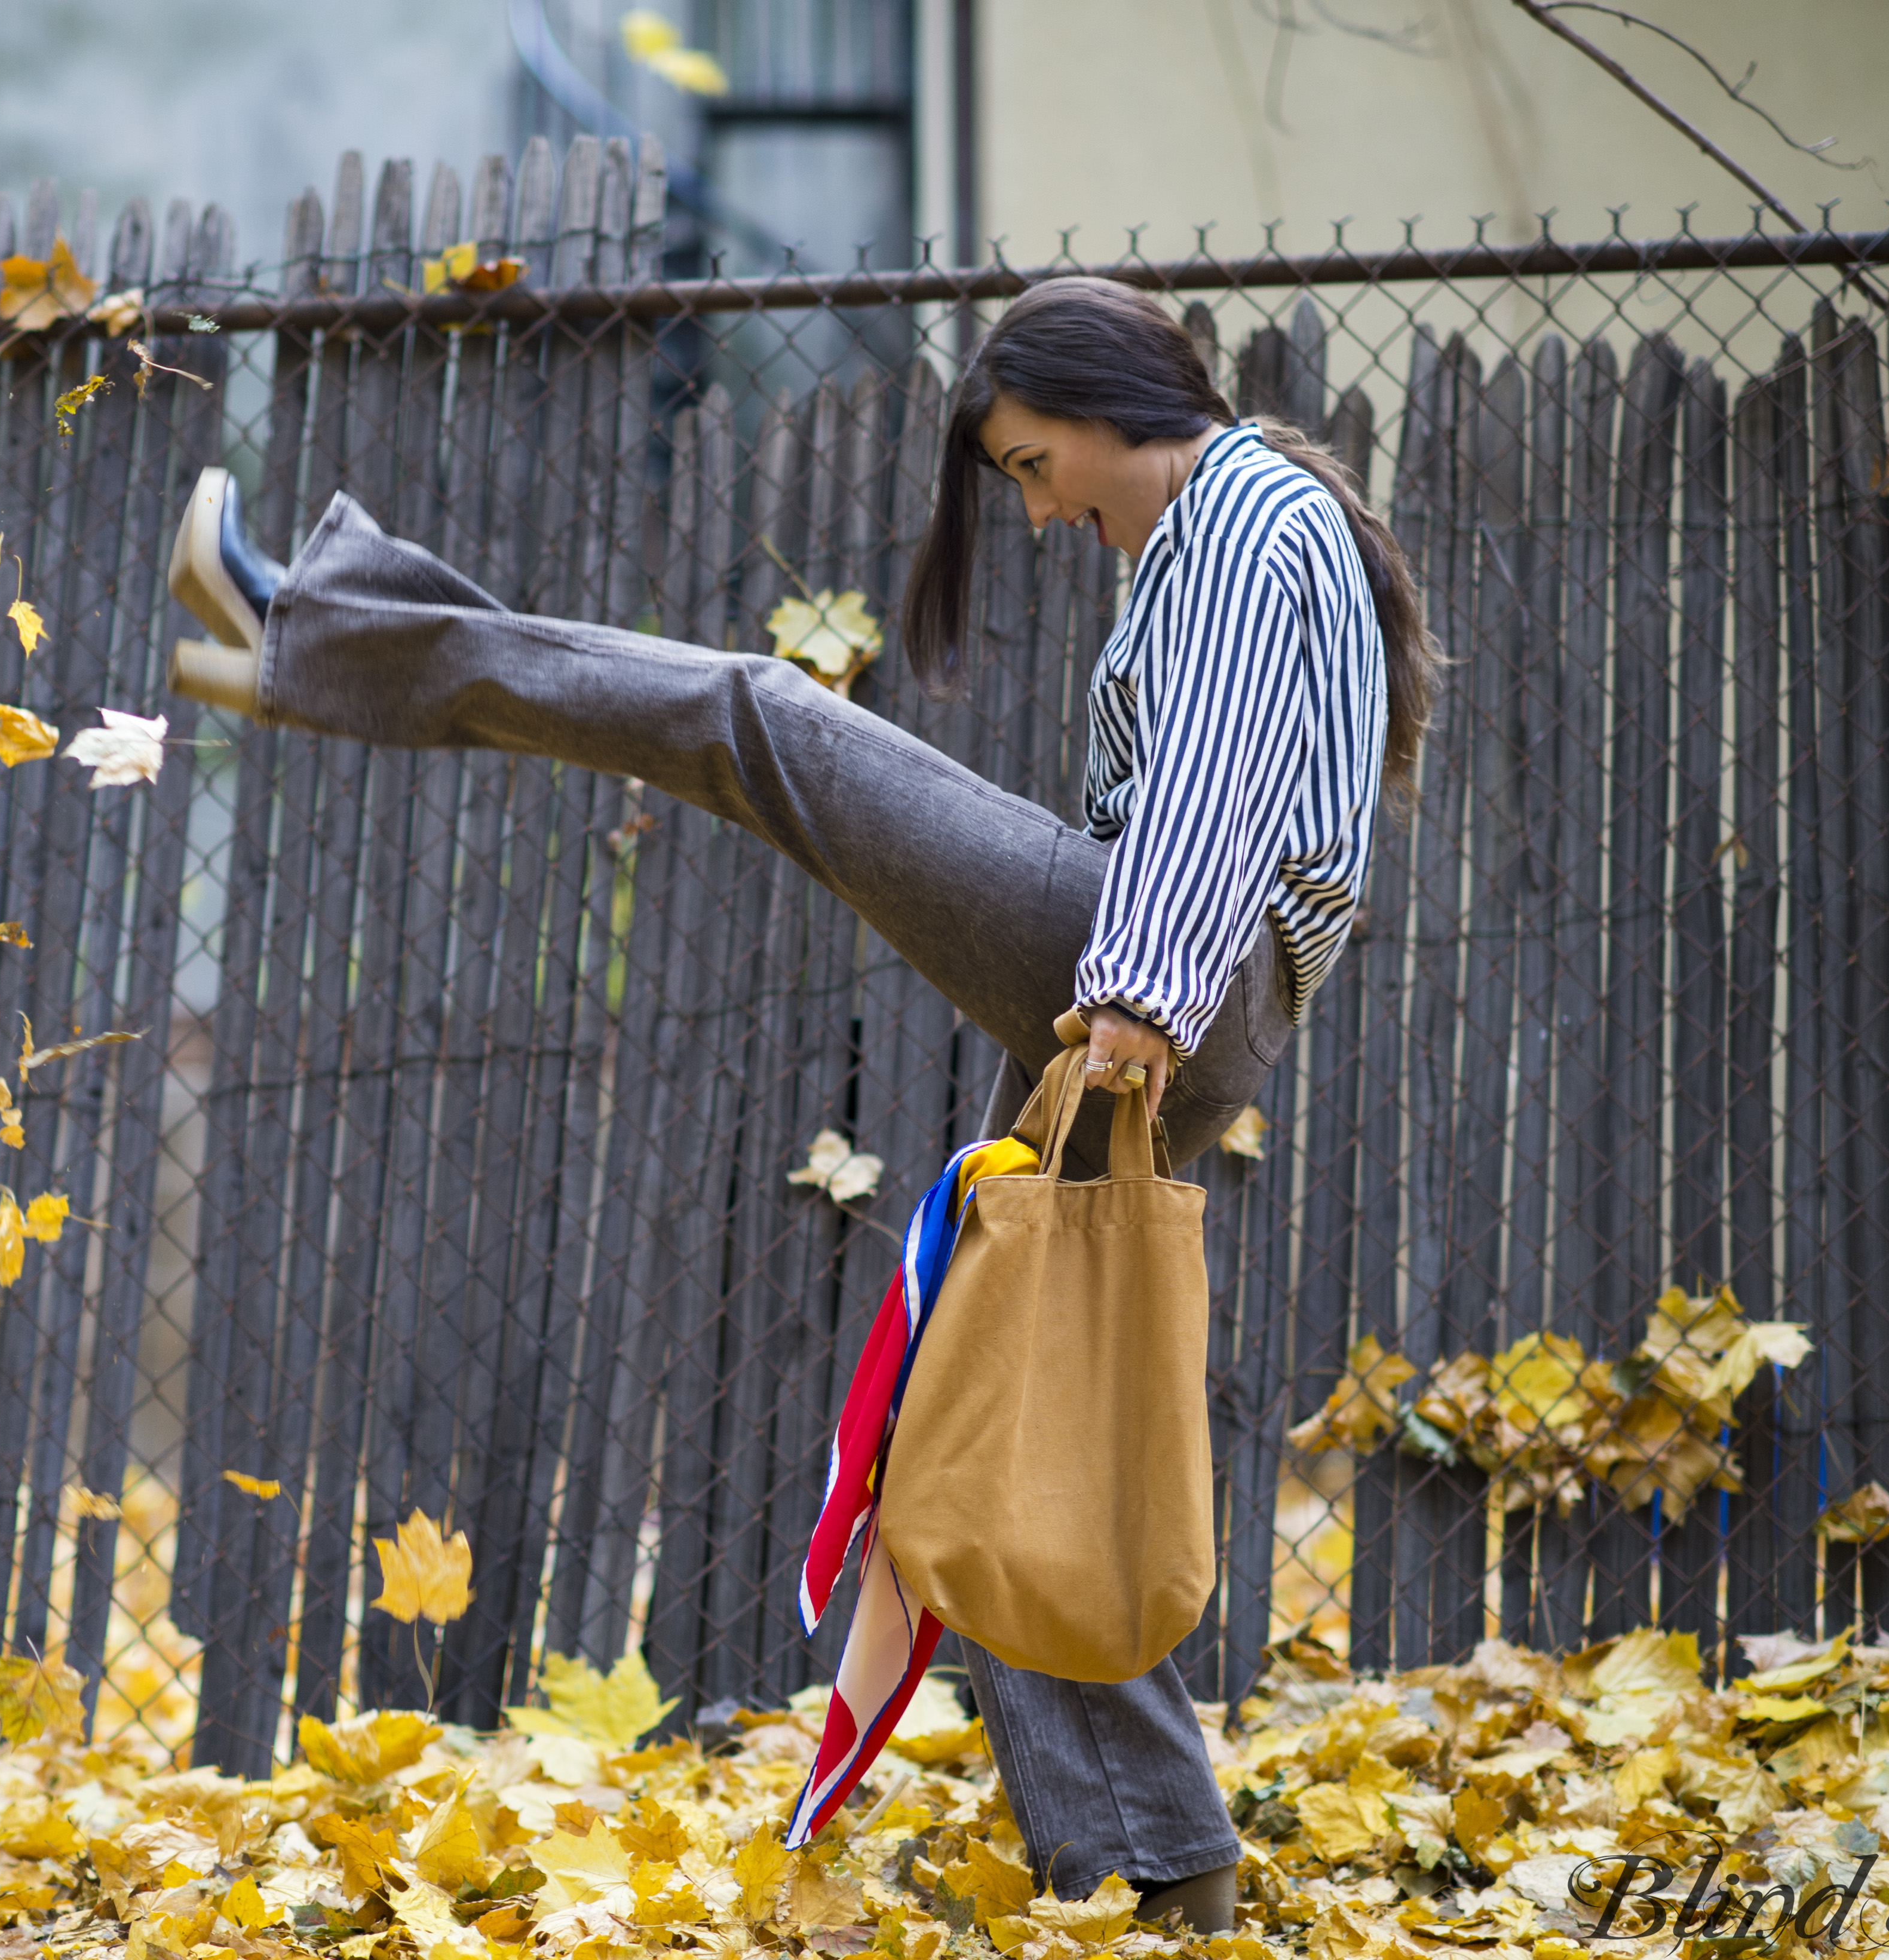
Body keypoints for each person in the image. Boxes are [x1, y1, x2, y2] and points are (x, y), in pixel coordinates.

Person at [165, 274, 1439, 1933]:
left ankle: (311, 633)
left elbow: (1220, 766)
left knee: (756, 714)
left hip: (1152, 965)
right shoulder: (1228, 529)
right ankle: (1158, 1867)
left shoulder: (1252, 514)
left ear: (1103, 403)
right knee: (985, 1421)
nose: (1037, 507)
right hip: (1169, 981)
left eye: (1030, 463)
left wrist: (1136, 996)